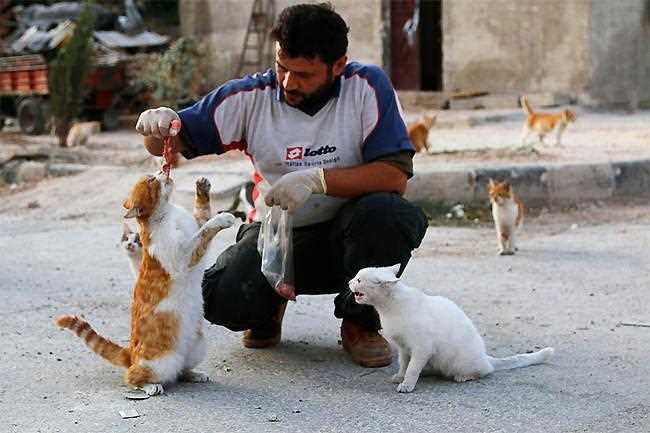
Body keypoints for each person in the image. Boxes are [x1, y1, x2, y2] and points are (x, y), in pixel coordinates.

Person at [135, 3, 428, 368]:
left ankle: (360, 322)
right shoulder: (250, 97)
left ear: (338, 66)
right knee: (221, 297)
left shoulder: (366, 87)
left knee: (389, 215)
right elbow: (175, 138)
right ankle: (266, 309)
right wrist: (157, 126)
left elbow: (394, 175)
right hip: (277, 240)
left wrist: (317, 180)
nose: (289, 83)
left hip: (350, 238)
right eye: (282, 68)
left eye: (304, 74)